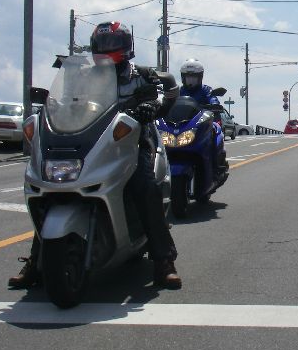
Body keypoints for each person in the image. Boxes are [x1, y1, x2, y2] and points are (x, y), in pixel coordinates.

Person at [9, 21, 183, 290]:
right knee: (51, 190)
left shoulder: (141, 74)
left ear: (126, 46)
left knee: (145, 186)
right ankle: (36, 261)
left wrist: (151, 106)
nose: (107, 49)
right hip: (92, 141)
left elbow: (160, 96)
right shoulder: (83, 75)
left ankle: (163, 261)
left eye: (113, 43)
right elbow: (64, 102)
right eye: (103, 44)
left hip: (132, 142)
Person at [178, 58, 228, 183]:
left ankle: (217, 167)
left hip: (201, 123)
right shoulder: (179, 91)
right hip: (183, 124)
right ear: (183, 78)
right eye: (188, 77)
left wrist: (214, 105)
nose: (190, 80)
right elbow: (169, 101)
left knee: (215, 132)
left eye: (193, 77)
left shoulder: (206, 90)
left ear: (200, 77)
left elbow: (212, 98)